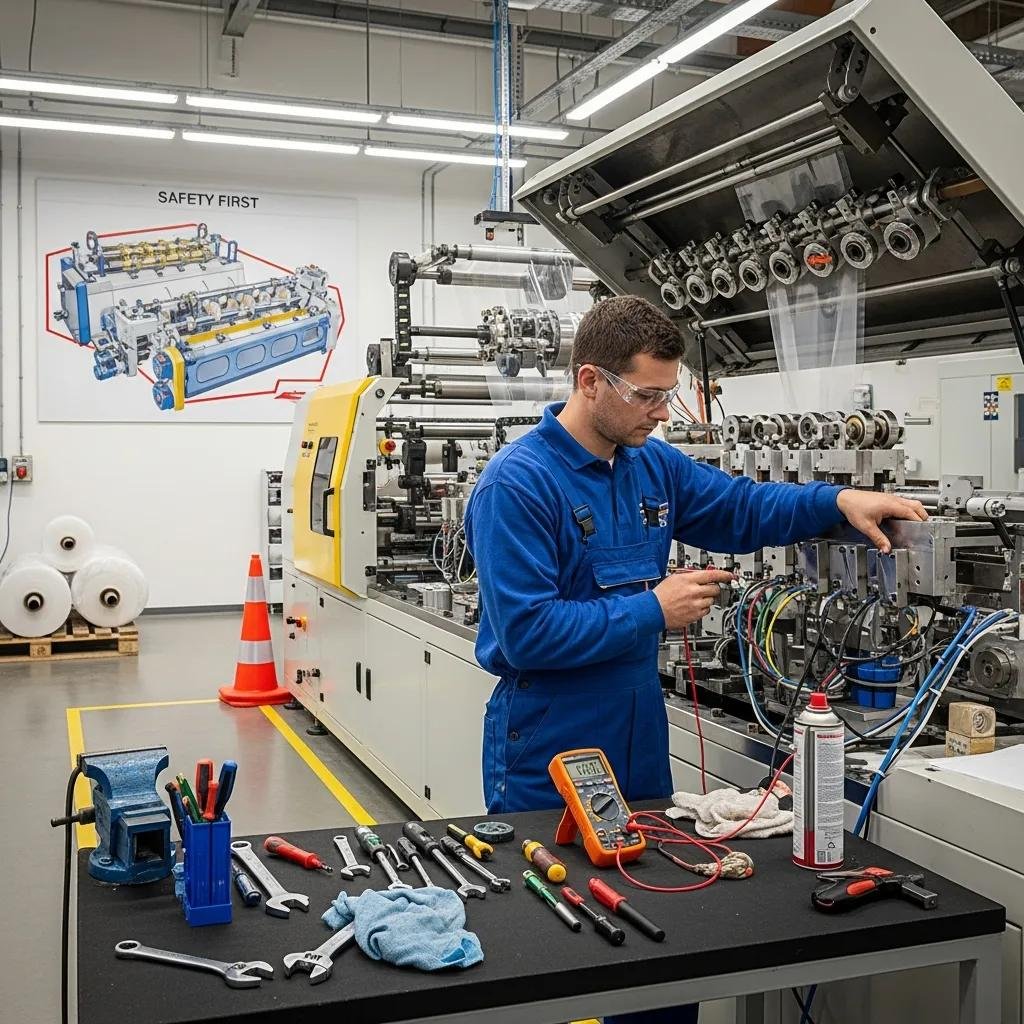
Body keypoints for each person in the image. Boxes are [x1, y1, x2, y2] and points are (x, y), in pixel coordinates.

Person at [463, 295, 928, 1024]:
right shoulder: (518, 486)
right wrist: (655, 609)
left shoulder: (651, 467)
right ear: (591, 382)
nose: (663, 413)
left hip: (638, 735)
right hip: (547, 741)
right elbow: (526, 634)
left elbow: (744, 507)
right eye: (647, 395)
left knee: (658, 940)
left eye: (667, 395)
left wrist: (840, 501)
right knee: (550, 944)